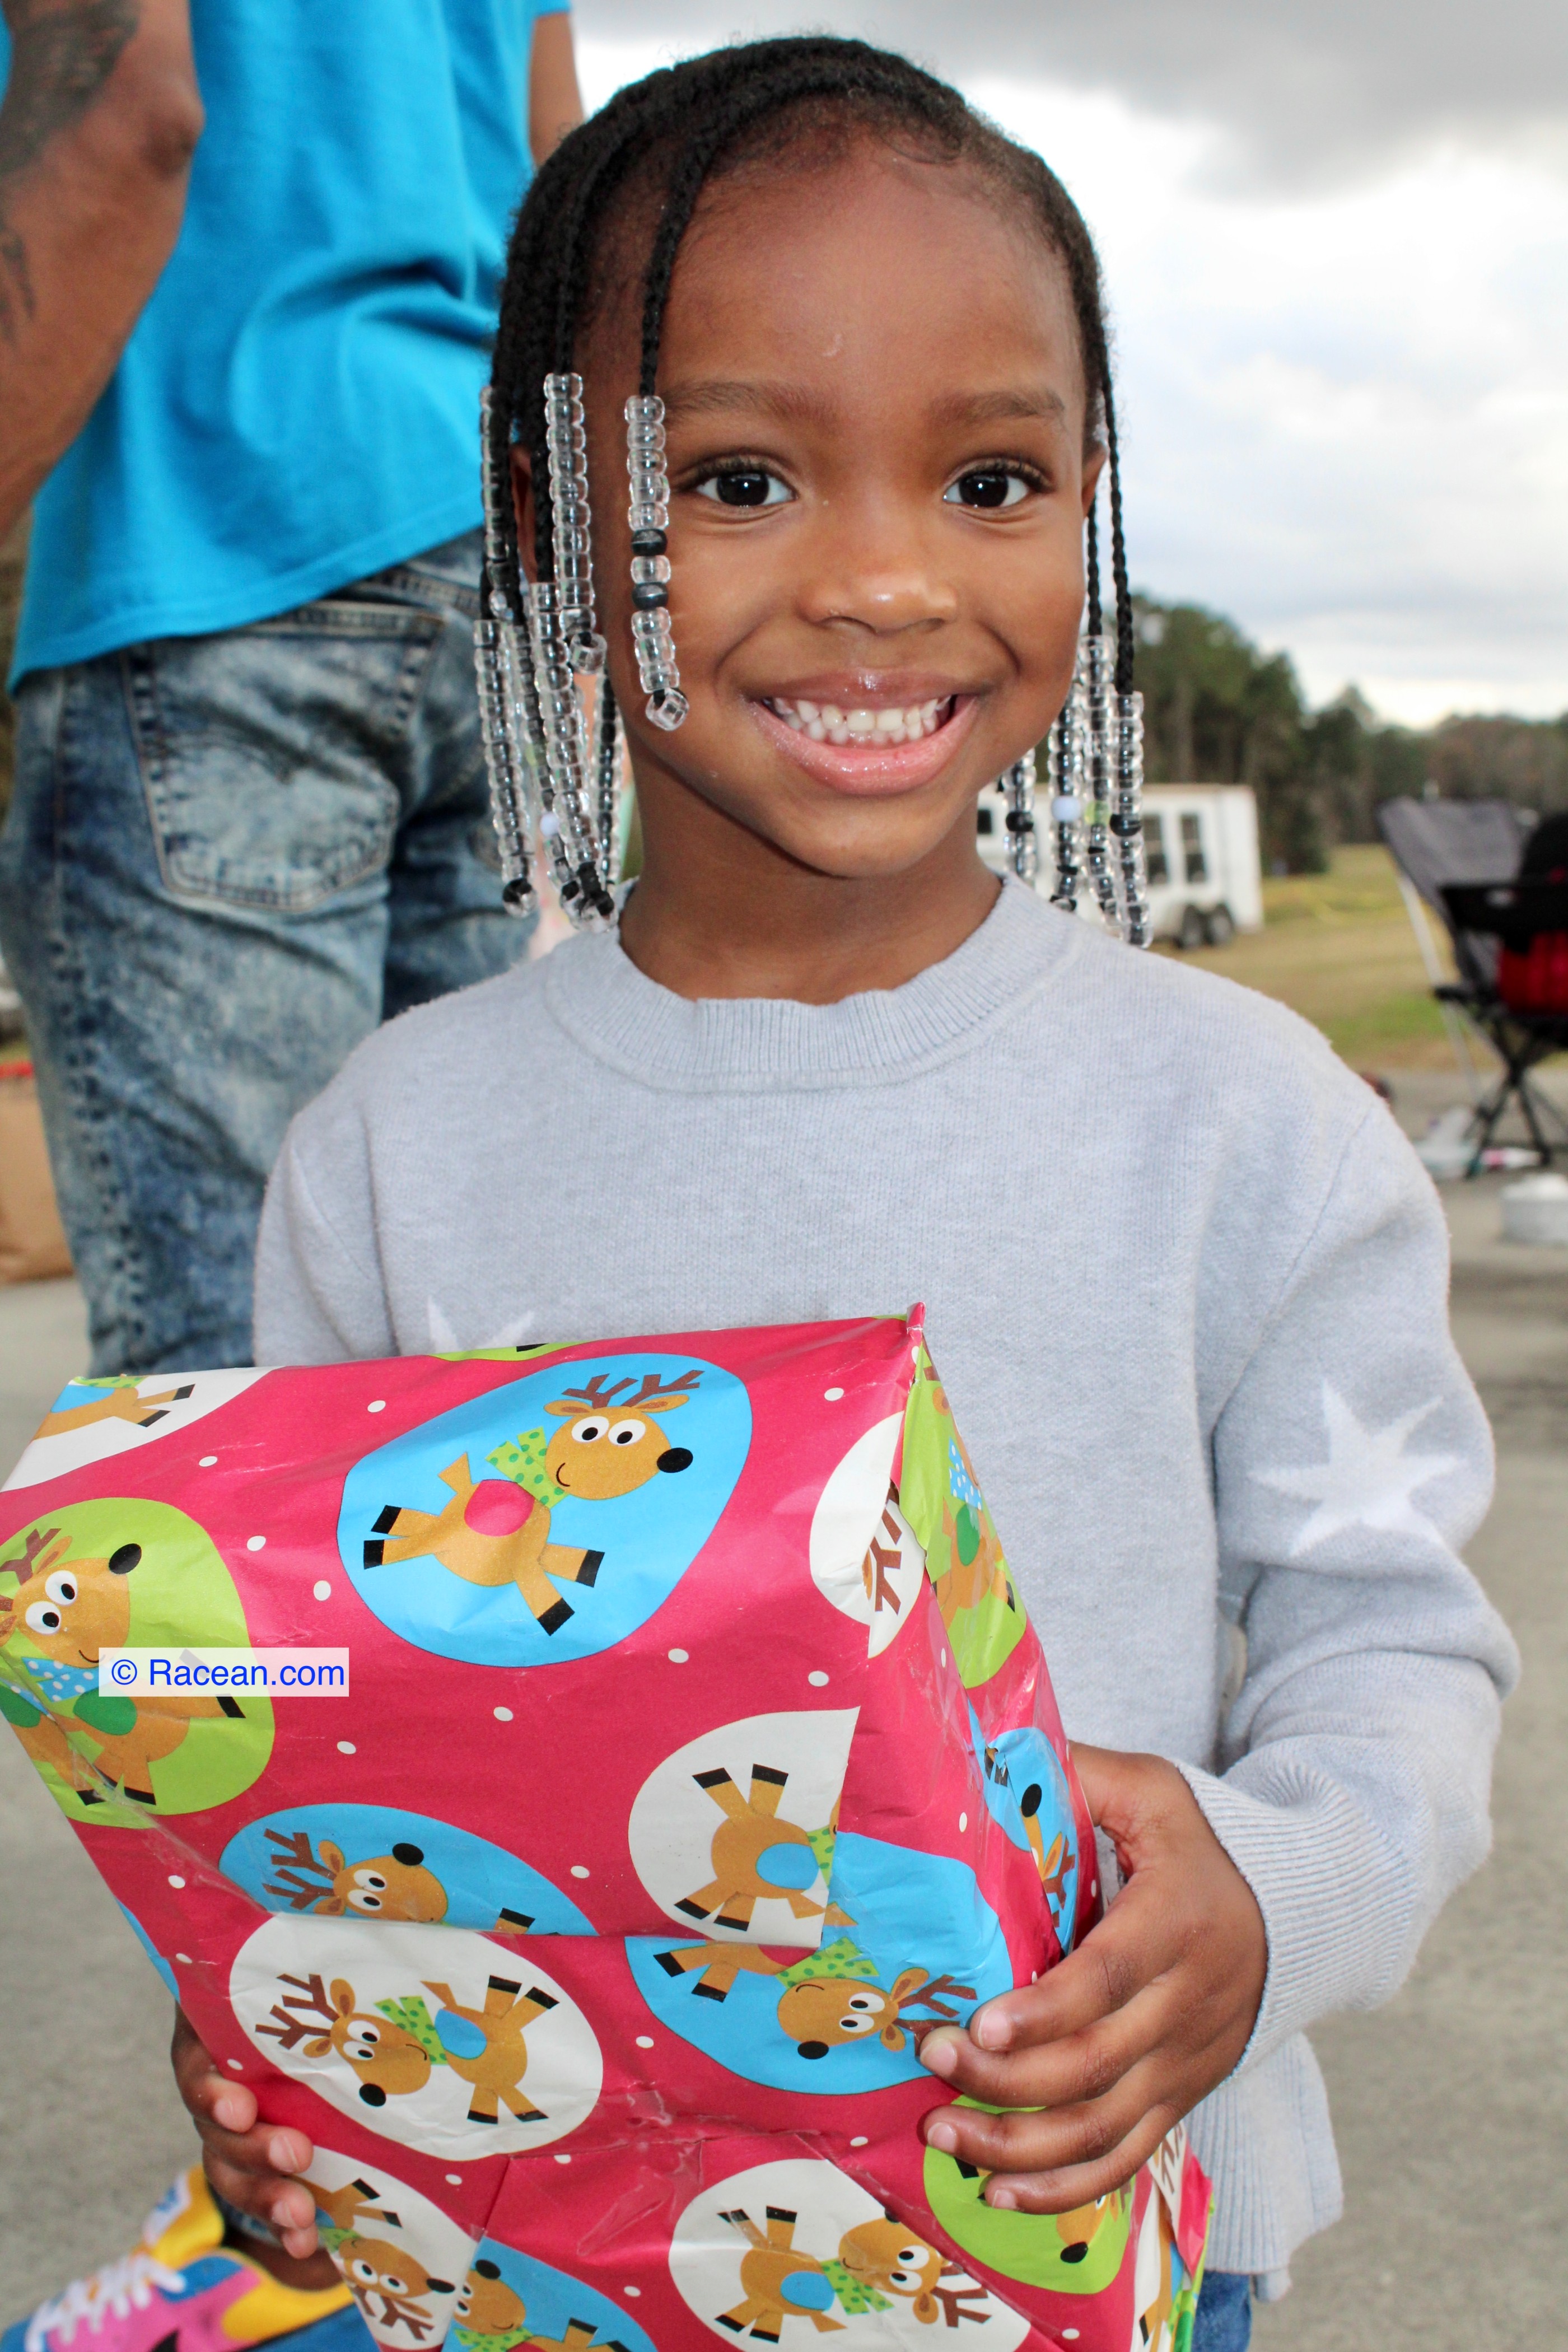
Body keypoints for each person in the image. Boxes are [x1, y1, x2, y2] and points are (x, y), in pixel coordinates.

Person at [7, 38, 1514, 2352]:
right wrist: (273, 2059)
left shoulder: (1242, 1120)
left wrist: (1265, 1903)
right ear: (531, 513)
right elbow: (314, 1732)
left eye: (991, 473)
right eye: (736, 475)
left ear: (1091, 503)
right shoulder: (390, 1152)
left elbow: (1392, 1648)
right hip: (562, 2261)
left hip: (1116, 2240)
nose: (889, 578)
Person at [0, 0, 582, 1376]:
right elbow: (563, 170)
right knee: (492, 1357)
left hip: (222, 538)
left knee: (232, 1388)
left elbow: (133, 113)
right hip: (483, 560)